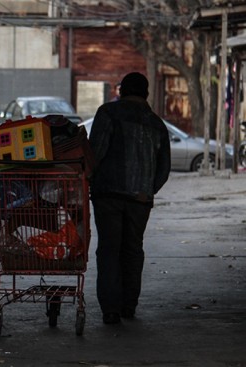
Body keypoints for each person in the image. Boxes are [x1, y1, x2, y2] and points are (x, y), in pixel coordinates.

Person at [88, 72, 171, 325]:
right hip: (140, 199)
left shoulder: (107, 114)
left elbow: (95, 153)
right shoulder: (157, 124)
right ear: (146, 93)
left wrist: (88, 179)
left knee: (109, 249)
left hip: (108, 196)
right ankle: (128, 306)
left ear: (122, 91)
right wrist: (148, 188)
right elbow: (164, 168)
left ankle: (111, 310)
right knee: (133, 250)